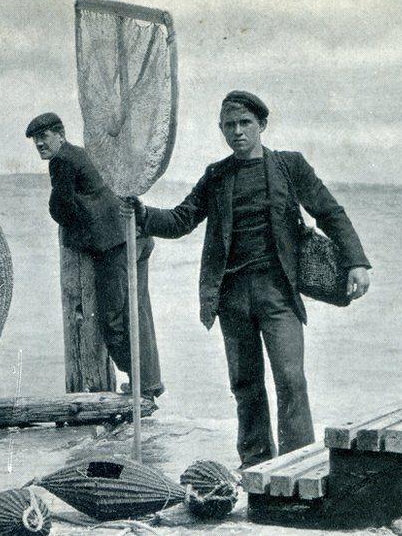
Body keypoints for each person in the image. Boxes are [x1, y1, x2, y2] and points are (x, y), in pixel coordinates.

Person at [128, 91, 371, 469]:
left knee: (291, 379)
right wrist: (142, 213)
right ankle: (255, 462)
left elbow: (329, 212)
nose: (237, 132)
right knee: (245, 386)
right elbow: (181, 220)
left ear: (262, 126)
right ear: (222, 130)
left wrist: (356, 262)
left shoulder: (291, 167)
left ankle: (297, 462)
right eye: (229, 125)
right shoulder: (217, 175)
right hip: (231, 296)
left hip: (278, 293)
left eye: (245, 124)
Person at [26, 112, 165, 401]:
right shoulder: (81, 153)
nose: (40, 143)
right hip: (136, 234)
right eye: (35, 140)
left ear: (60, 135)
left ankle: (140, 382)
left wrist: (71, 219)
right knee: (138, 313)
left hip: (116, 244)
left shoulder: (62, 160)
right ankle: (149, 383)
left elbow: (61, 209)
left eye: (45, 136)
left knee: (112, 319)